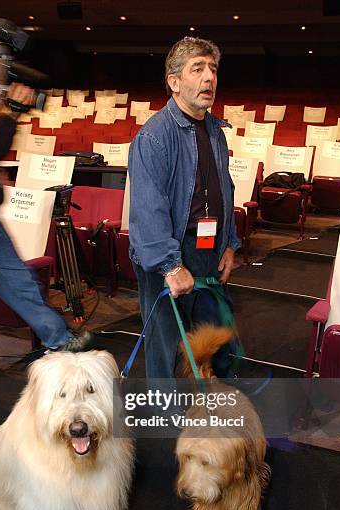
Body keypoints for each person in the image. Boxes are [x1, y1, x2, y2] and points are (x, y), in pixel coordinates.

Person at [128, 36, 241, 379]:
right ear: (174, 82)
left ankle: (206, 412)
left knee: (212, 342)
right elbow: (148, 209)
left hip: (209, 250)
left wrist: (230, 244)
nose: (209, 78)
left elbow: (225, 190)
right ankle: (166, 420)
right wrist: (170, 266)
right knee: (166, 348)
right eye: (198, 69)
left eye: (213, 69)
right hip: (170, 254)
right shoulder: (154, 137)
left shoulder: (215, 130)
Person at [0, 82, 93, 353]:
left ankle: (59, 338)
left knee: (19, 282)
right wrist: (9, 113)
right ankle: (59, 338)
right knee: (18, 282)